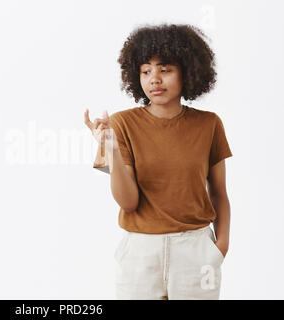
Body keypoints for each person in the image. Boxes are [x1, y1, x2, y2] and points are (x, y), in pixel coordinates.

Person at [83, 23, 232, 300]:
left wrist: (220, 246)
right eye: (146, 71)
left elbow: (219, 193)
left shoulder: (209, 124)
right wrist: (111, 150)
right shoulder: (120, 124)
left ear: (187, 71)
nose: (155, 79)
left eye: (165, 69)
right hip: (141, 252)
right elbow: (128, 203)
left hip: (196, 250)